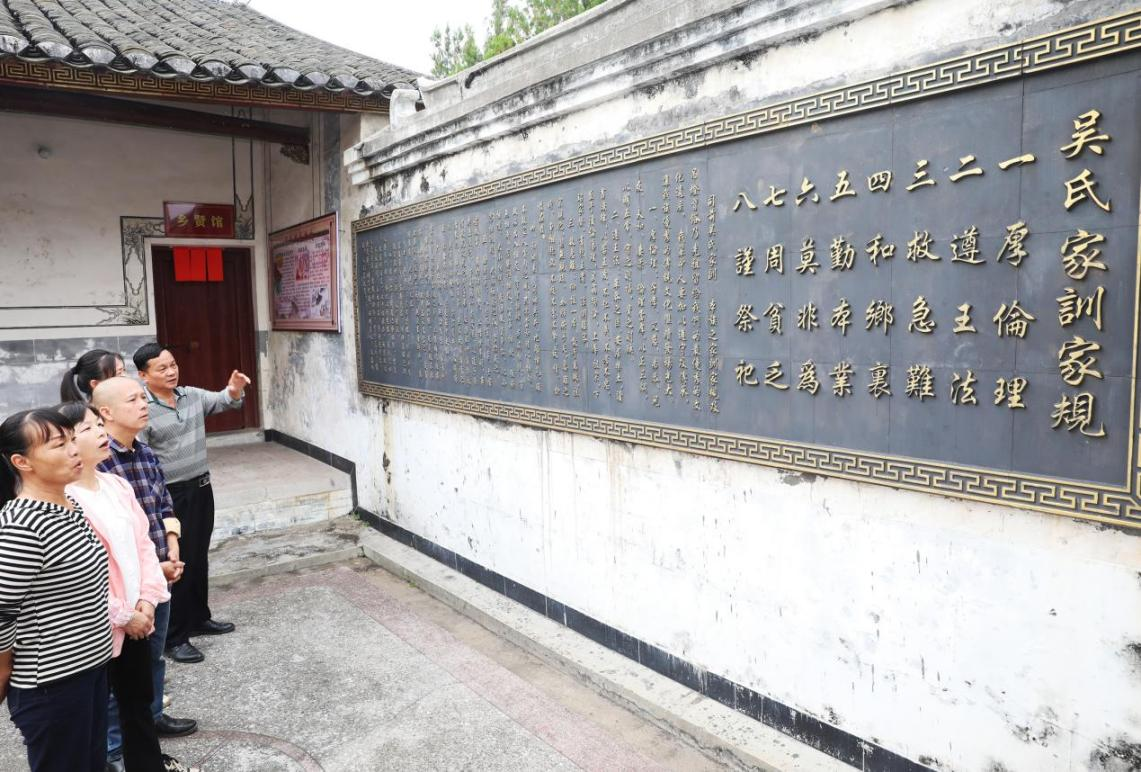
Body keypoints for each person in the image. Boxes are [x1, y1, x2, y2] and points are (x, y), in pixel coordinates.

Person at [60, 402, 197, 772]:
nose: (100, 433)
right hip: (101, 626)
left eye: (98, 425)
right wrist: (124, 615)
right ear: (66, 444)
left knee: (138, 703)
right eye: (88, 429)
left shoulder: (115, 486)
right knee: (102, 706)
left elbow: (143, 546)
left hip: (139, 615)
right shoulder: (66, 500)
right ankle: (113, 758)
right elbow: (79, 578)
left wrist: (148, 601)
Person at [0, 408, 113, 771]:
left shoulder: (69, 504)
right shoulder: (21, 527)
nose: (74, 450)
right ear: (21, 462)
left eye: (71, 439)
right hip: (52, 683)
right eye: (58, 445)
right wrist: (3, 671)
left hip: (89, 668)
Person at [92, 378, 198, 745]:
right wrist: (153, 567)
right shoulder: (99, 463)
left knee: (153, 656)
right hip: (124, 586)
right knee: (118, 671)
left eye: (143, 397)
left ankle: (152, 718)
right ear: (106, 412)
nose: (143, 404)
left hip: (156, 575)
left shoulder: (145, 451)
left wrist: (172, 543)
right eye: (133, 399)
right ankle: (115, 745)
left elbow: (163, 500)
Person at [133, 343, 249, 664]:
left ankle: (198, 618)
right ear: (143, 375)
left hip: (201, 488)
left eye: (173, 365)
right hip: (171, 495)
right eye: (162, 368)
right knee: (178, 562)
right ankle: (174, 637)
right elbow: (141, 458)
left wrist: (234, 389)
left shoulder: (191, 395)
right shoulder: (142, 409)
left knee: (198, 557)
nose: (171, 372)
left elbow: (225, 401)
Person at [60, 349, 126, 403]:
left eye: (124, 370)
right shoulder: (91, 415)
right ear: (95, 384)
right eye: (119, 373)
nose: (126, 377)